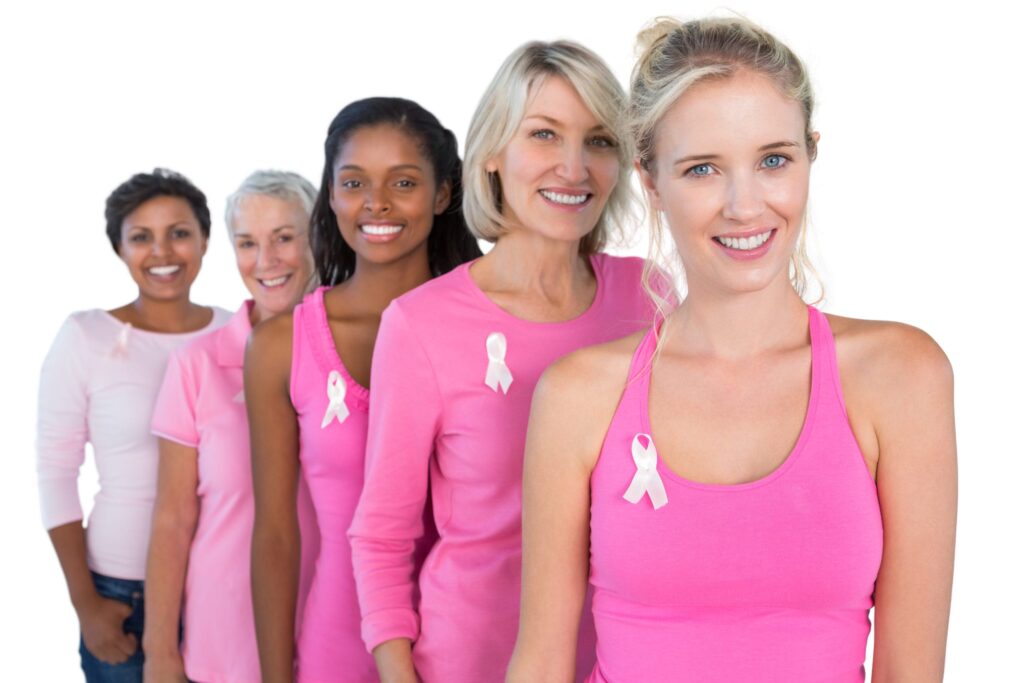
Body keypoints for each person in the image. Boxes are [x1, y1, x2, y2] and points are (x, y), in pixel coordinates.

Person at [507, 16, 958, 683]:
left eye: (774, 159)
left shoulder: (901, 377)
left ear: (810, 155)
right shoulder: (580, 395)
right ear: (652, 183)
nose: (744, 206)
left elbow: (910, 672)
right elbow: (541, 662)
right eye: (702, 169)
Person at [348, 42, 664, 683]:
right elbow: (381, 535)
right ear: (492, 153)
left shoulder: (649, 298)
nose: (573, 168)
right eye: (544, 134)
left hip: (625, 659)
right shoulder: (421, 324)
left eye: (599, 141)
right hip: (472, 662)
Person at [246, 97, 481, 683]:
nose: (376, 203)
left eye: (403, 181)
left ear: (444, 194)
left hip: (475, 647)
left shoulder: (489, 331)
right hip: (338, 650)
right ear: (330, 193)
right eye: (354, 182)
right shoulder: (282, 346)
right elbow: (276, 534)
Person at [36, 169, 231, 683]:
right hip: (122, 592)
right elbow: (56, 473)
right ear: (119, 248)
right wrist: (86, 605)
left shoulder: (241, 333)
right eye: (141, 237)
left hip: (220, 587)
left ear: (206, 240)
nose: (162, 251)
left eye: (179, 232)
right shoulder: (86, 337)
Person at [143, 170, 319, 683]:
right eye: (247, 243)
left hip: (335, 636)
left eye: (284, 238)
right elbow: (173, 518)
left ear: (319, 238)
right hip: (225, 646)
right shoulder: (196, 365)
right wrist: (160, 653)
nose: (266, 261)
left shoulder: (360, 351)